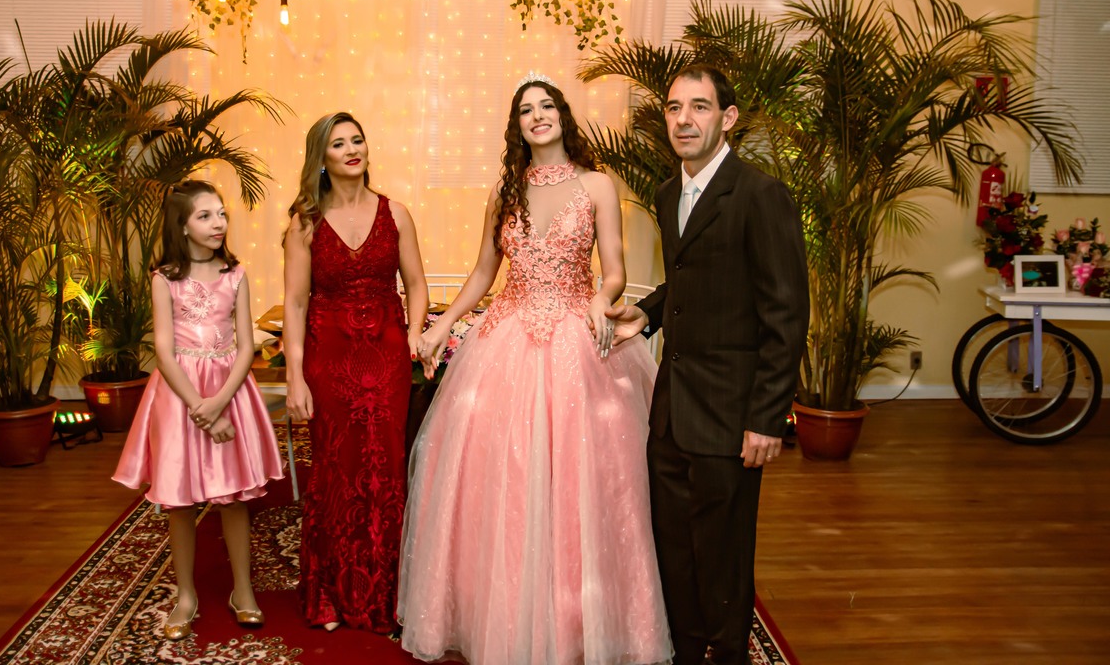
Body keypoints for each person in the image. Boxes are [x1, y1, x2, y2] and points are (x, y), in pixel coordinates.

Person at [398, 74, 671, 665]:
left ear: (562, 116)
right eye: (526, 110)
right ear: (517, 126)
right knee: (506, 477)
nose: (538, 115)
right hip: (507, 339)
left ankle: (577, 621)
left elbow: (615, 270)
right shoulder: (505, 192)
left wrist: (603, 300)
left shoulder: (597, 184)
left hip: (576, 337)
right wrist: (444, 326)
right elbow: (483, 273)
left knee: (580, 478)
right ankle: (503, 615)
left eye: (547, 105)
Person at [608, 65, 810, 665]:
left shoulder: (760, 195)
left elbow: (786, 315)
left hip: (730, 412)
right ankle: (685, 648)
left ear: (728, 118)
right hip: (672, 408)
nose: (684, 119)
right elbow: (692, 281)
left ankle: (726, 655)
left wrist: (767, 418)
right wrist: (646, 313)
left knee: (722, 552)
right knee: (674, 545)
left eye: (699, 107)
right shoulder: (668, 194)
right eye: (674, 108)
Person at [113, 180, 285, 641]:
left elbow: (247, 346)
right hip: (180, 396)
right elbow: (164, 350)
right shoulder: (164, 278)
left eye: (221, 214)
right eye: (205, 215)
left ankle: (243, 590)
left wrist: (220, 401)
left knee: (234, 497)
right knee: (181, 501)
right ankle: (185, 595)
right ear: (183, 225)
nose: (218, 223)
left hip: (229, 390)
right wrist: (199, 407)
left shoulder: (235, 273)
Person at [283, 111, 429, 633]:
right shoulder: (304, 223)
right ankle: (331, 594)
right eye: (339, 143)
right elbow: (295, 303)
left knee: (386, 471)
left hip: (387, 358)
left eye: (358, 140)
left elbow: (416, 284)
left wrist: (414, 333)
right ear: (321, 158)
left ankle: (389, 595)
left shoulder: (397, 213)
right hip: (329, 359)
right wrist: (295, 376)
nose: (352, 149)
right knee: (336, 471)